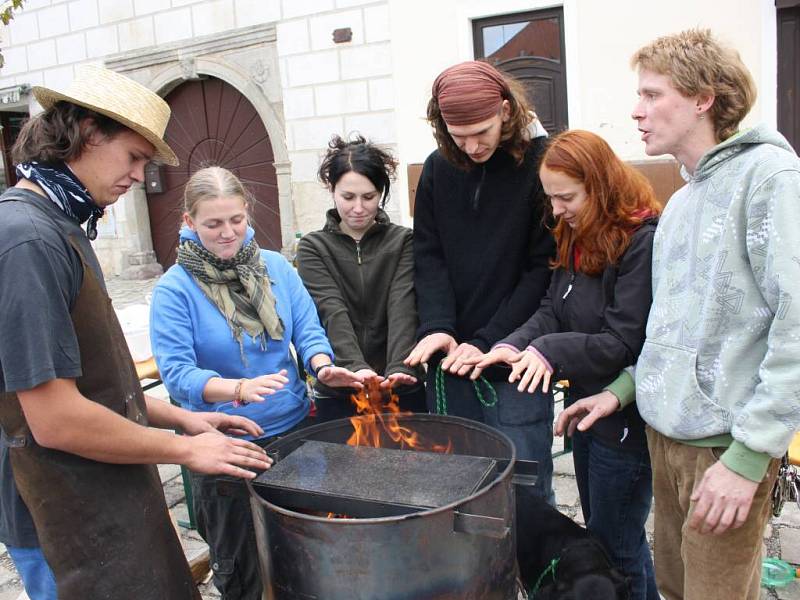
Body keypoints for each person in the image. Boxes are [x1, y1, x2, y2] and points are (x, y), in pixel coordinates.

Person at [0, 65, 271, 600]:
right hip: (59, 517)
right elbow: (54, 419)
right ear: (85, 132)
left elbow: (96, 386)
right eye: (134, 157)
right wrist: (186, 451)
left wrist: (180, 417)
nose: (140, 176)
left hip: (105, 496)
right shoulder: (27, 238)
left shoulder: (60, 225)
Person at [559, 29, 800, 600]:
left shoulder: (770, 178)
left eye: (651, 95)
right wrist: (620, 390)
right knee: (674, 587)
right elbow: (669, 330)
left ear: (702, 98)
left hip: (724, 446)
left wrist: (747, 458)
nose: (636, 111)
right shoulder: (684, 199)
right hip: (663, 439)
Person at [149, 166, 362, 599]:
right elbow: (176, 373)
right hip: (223, 444)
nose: (228, 233)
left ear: (248, 213)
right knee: (242, 570)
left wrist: (323, 367)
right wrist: (237, 389)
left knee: (307, 559)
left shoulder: (277, 267)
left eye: (236, 220)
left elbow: (307, 329)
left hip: (295, 431)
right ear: (189, 222)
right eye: (213, 224)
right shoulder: (175, 289)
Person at [468, 129, 661, 600]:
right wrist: (510, 345)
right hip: (585, 410)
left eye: (565, 197)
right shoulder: (576, 232)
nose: (555, 211)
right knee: (605, 536)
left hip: (624, 421)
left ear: (600, 186)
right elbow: (552, 309)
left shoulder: (641, 241)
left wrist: (548, 350)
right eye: (550, 198)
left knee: (617, 546)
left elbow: (620, 341)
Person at [404, 60, 556, 502]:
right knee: (457, 488)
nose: (471, 146)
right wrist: (438, 327)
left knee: (524, 488)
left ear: (506, 112)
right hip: (449, 359)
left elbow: (541, 269)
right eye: (458, 136)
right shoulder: (437, 168)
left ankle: (531, 570)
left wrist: (490, 340)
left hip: (515, 360)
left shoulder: (541, 165)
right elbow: (428, 256)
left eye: (482, 133)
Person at [297, 134, 425, 420]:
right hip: (341, 386)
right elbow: (331, 308)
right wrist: (355, 368)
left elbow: (402, 304)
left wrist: (400, 368)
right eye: (348, 197)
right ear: (332, 189)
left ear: (381, 193)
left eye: (368, 197)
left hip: (401, 385)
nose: (358, 208)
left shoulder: (404, 240)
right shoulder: (312, 247)